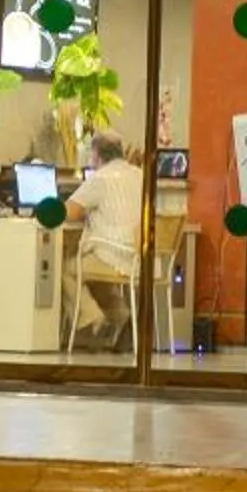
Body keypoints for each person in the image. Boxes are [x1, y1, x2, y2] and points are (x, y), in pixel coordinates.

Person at [63, 130, 143, 350]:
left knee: (67, 267)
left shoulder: (100, 178)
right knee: (93, 273)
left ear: (96, 155)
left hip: (114, 254)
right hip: (142, 259)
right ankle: (122, 318)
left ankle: (91, 319)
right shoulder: (140, 175)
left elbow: (70, 212)